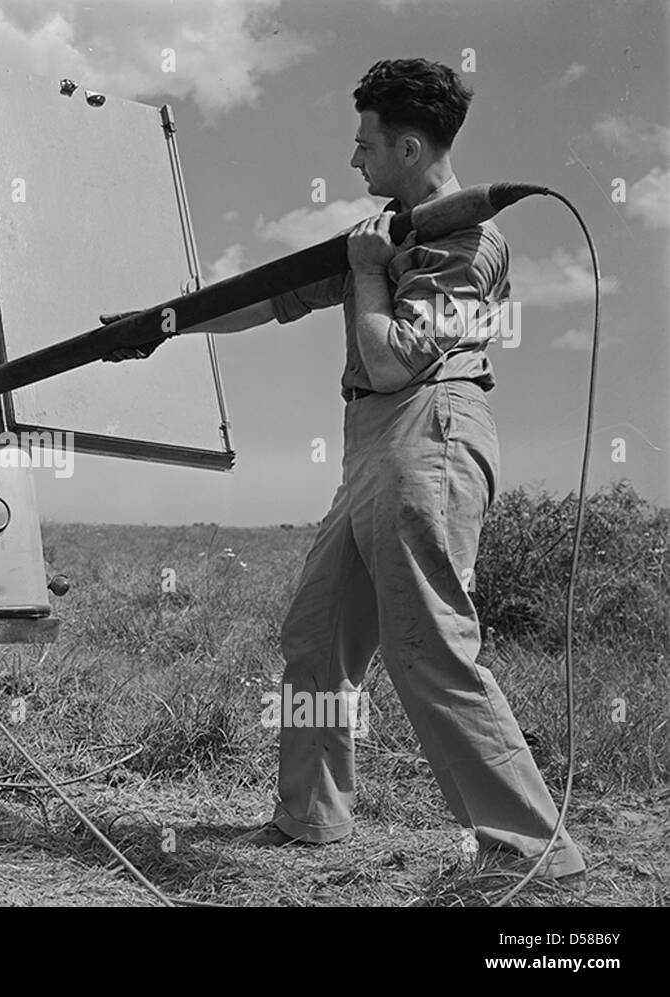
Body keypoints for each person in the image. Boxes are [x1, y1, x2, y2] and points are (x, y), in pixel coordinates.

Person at [113, 59, 585, 884]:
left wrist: (369, 273)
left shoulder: (469, 244)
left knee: (426, 646)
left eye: (366, 144)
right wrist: (167, 325)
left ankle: (532, 858)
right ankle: (311, 816)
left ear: (408, 146)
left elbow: (395, 359)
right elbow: (270, 298)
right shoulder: (387, 226)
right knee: (319, 632)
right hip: (370, 442)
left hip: (428, 429)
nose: (353, 159)